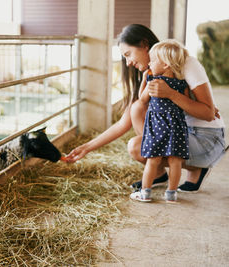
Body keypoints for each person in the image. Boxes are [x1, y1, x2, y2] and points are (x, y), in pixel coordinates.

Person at [65, 24, 226, 194]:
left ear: (144, 45)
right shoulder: (150, 76)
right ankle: (157, 172)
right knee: (136, 131)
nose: (128, 63)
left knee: (138, 136)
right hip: (183, 133)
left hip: (207, 139)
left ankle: (196, 167)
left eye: (128, 55)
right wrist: (86, 148)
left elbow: (208, 113)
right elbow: (123, 123)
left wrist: (171, 94)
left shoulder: (185, 62)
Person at [130, 40, 190, 203]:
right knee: (175, 160)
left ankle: (145, 193)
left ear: (165, 65)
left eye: (153, 60)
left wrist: (144, 79)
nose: (149, 63)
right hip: (176, 127)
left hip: (157, 127)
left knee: (153, 159)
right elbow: (186, 101)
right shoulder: (181, 83)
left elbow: (142, 100)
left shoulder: (154, 82)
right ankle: (171, 194)